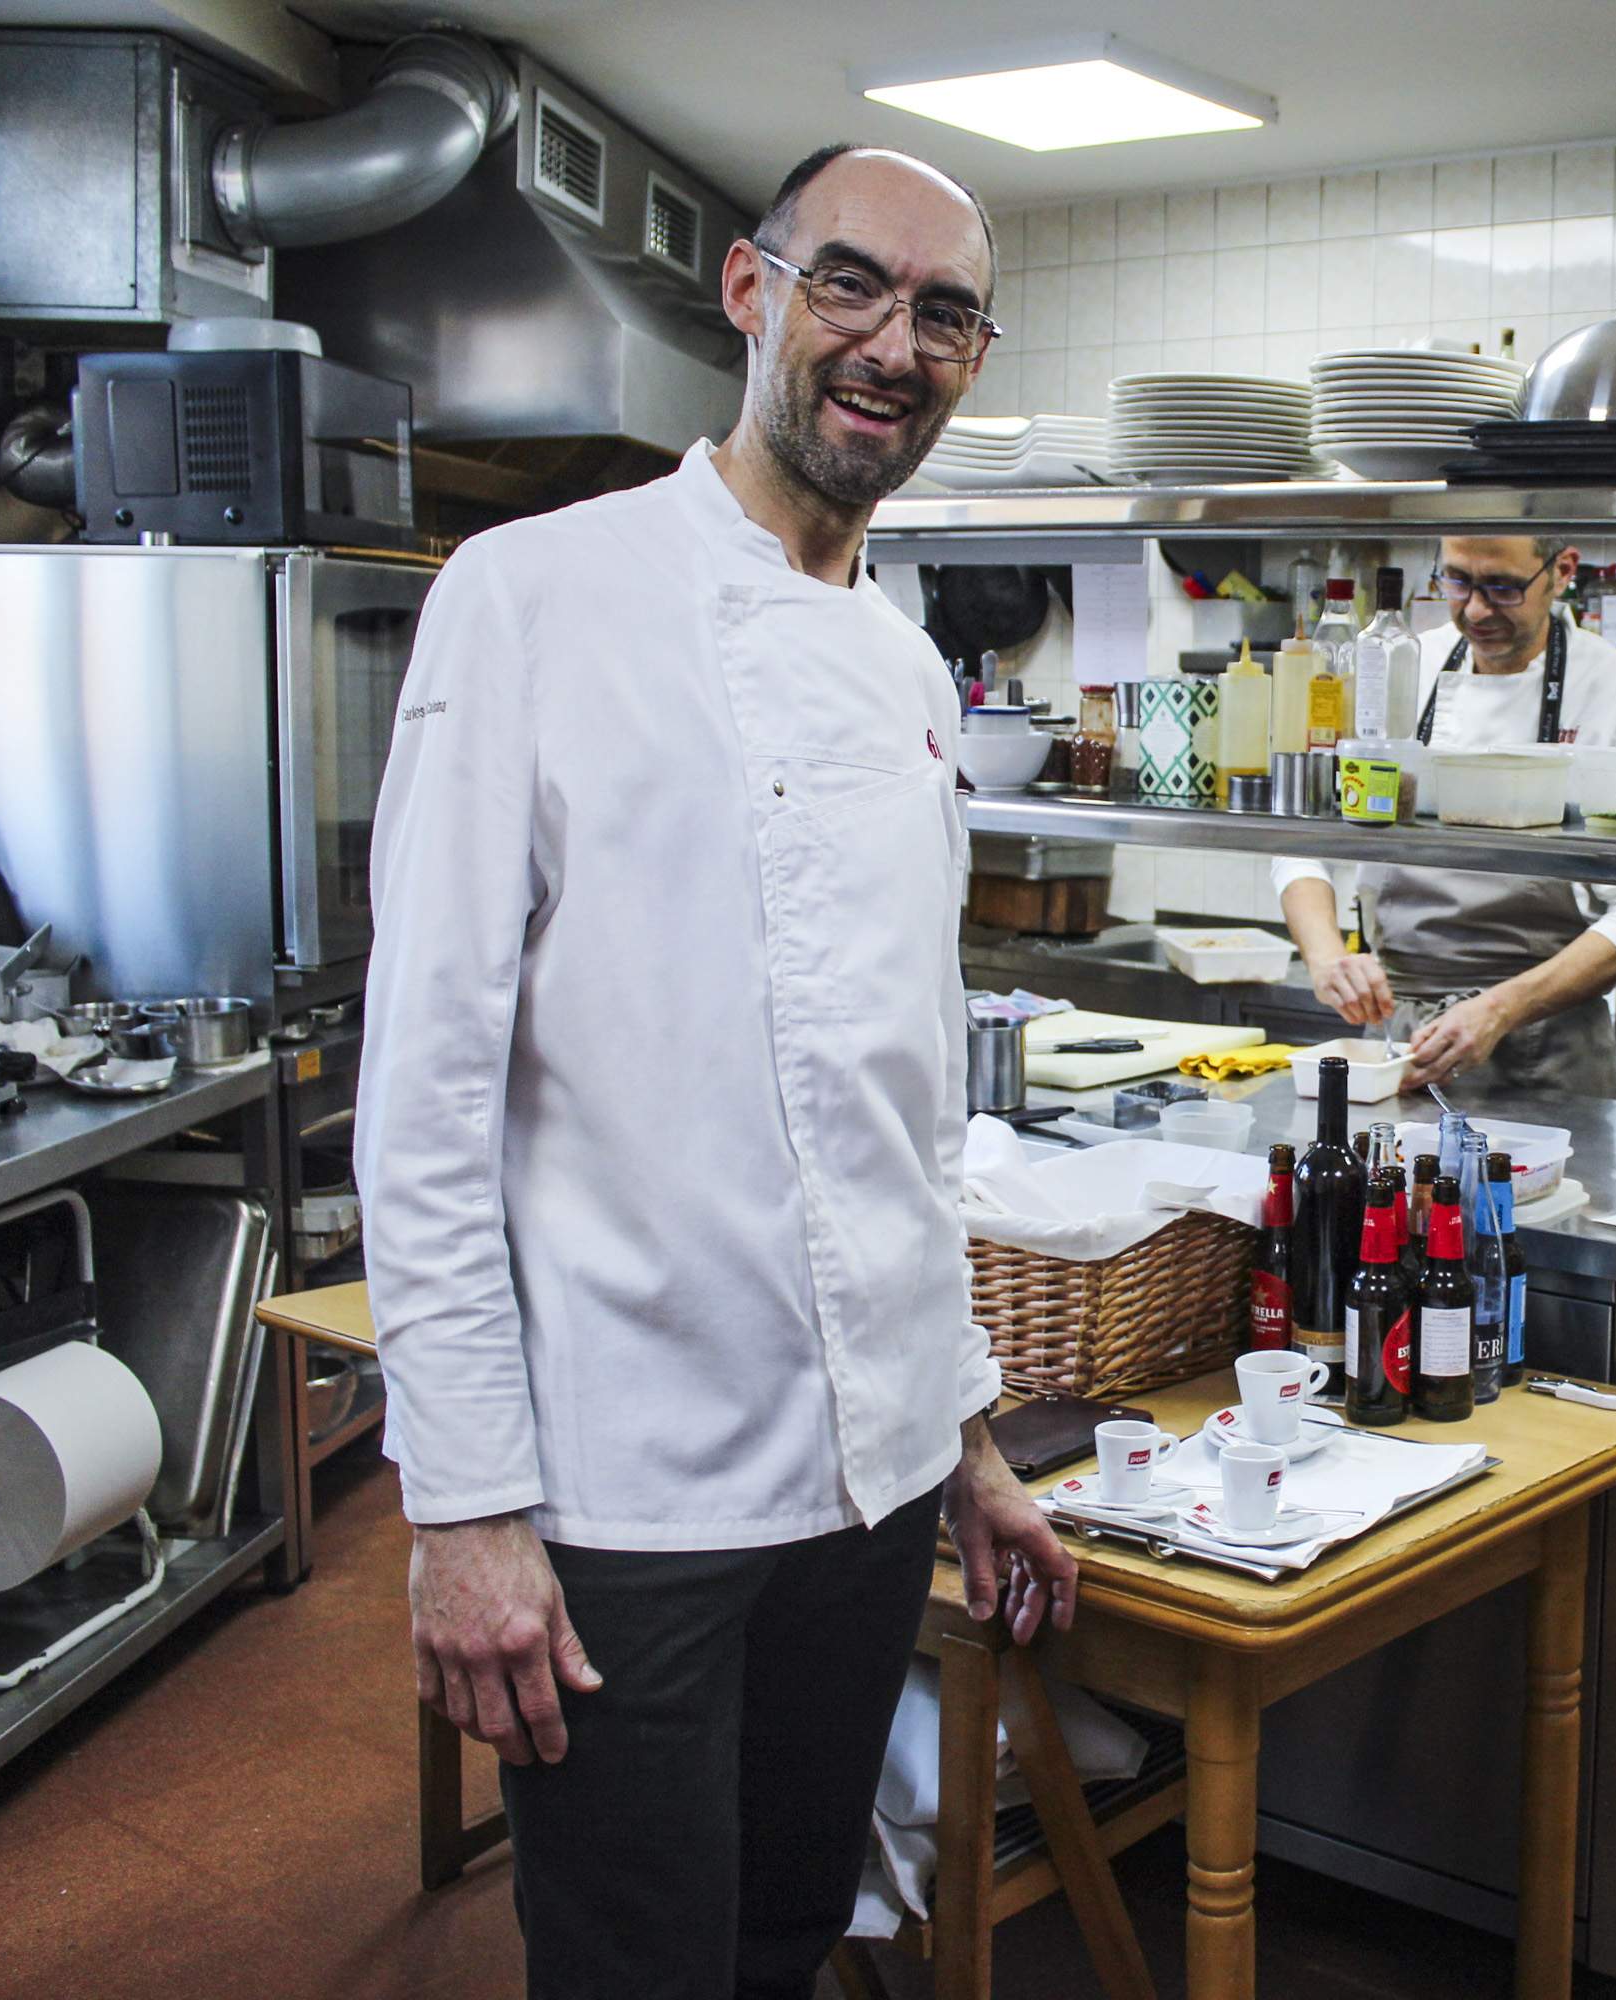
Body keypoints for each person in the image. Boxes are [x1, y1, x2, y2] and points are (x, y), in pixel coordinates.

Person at [358, 143, 1076, 1998]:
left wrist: (969, 1433)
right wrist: (460, 1509)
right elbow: (426, 1089)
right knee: (634, 1966)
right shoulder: (531, 598)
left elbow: (905, 1101)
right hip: (632, 1494)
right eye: (852, 285)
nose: (892, 347)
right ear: (750, 295)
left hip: (865, 1488)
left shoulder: (911, 671)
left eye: (943, 315)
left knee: (784, 1936)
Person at [1273, 536, 1616, 1095]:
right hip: (1400, 1042)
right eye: (1457, 582)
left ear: (1562, 572)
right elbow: (1303, 835)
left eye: (1503, 588)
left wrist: (1502, 1008)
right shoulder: (1398, 660)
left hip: (1548, 1050)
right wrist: (1326, 956)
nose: (1476, 610)